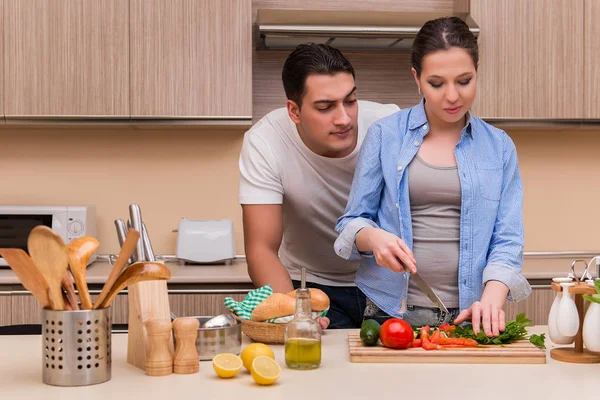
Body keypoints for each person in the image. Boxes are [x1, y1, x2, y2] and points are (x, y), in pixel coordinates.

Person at [334, 17, 531, 337]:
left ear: (477, 70)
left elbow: (507, 240)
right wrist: (374, 239)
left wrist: (492, 300)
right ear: (417, 78)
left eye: (464, 80)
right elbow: (352, 222)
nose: (452, 96)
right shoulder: (385, 135)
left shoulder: (499, 147)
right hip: (390, 315)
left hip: (470, 317)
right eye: (437, 83)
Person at [238, 43, 400, 329]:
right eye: (325, 107)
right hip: (310, 288)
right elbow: (261, 248)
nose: (344, 119)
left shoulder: (389, 126)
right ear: (294, 111)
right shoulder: (265, 141)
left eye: (350, 101)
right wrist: (296, 317)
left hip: (387, 284)